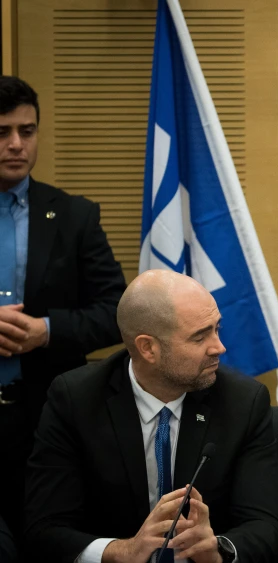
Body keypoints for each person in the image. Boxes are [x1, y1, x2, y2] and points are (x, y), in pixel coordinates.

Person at [23, 270, 278, 563]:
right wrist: (123, 551)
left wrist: (217, 550)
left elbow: (267, 527)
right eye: (200, 337)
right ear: (148, 348)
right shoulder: (76, 400)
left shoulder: (243, 401)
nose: (219, 347)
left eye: (217, 328)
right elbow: (44, 529)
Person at [0, 75, 127, 543]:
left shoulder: (74, 215)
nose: (17, 144)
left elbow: (117, 309)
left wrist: (46, 331)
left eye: (27, 131)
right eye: (2, 132)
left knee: (46, 541)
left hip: (47, 418)